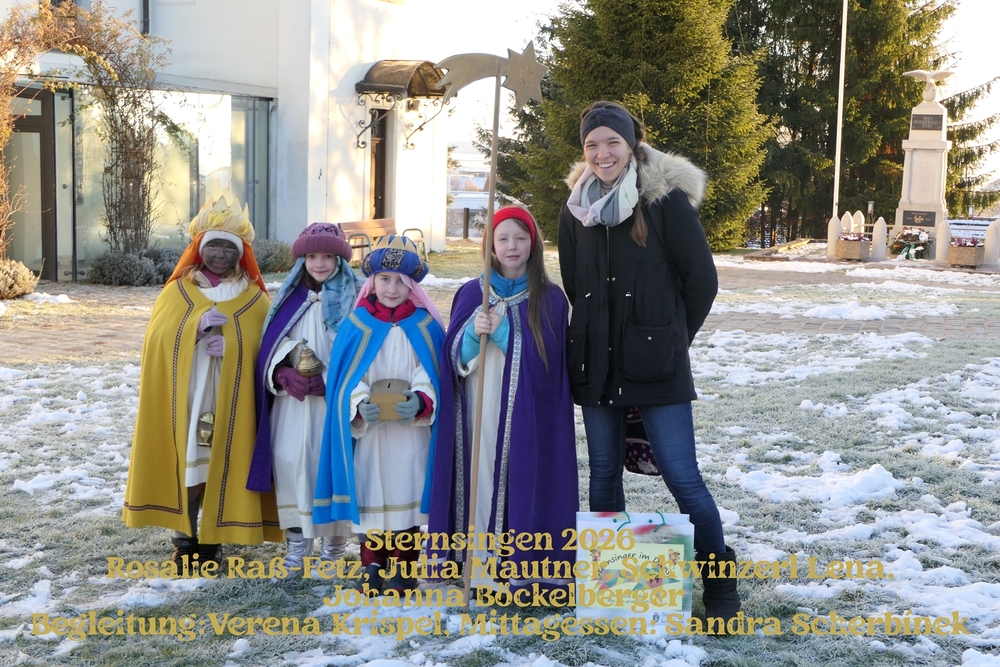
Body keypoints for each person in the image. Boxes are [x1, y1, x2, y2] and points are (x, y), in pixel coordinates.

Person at [557, 101, 739, 623]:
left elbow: (701, 281)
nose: (602, 153)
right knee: (603, 473)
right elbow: (574, 284)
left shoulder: (665, 202)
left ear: (631, 144)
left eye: (611, 142)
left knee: (683, 478)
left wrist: (669, 339)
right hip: (596, 366)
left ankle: (720, 585)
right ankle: (612, 582)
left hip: (657, 366)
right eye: (592, 145)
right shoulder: (576, 210)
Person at [124, 196, 282, 568]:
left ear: (241, 253)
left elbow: (268, 348)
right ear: (199, 247)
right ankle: (184, 539)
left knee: (220, 464)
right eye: (213, 245)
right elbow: (158, 341)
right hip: (189, 395)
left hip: (232, 398)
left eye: (229, 247)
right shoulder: (177, 291)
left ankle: (212, 540)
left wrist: (233, 347)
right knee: (189, 462)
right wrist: (194, 329)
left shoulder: (254, 298)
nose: (220, 254)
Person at [428, 207, 578, 594]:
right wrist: (469, 337)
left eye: (521, 238)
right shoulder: (471, 293)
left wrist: (506, 336)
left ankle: (519, 568)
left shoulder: (550, 299)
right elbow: (453, 362)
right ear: (490, 246)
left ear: (534, 244)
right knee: (478, 478)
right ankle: (476, 565)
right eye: (503, 239)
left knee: (520, 479)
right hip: (478, 409)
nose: (512, 246)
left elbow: (549, 369)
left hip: (527, 416)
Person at [313, 235, 444, 595]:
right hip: (369, 434)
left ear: (412, 285)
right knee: (370, 498)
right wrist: (357, 403)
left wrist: (421, 399)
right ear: (372, 282)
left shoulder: (425, 325)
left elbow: (431, 370)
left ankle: (403, 568)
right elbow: (345, 378)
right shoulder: (357, 325)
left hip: (410, 433)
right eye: (385, 279)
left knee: (407, 497)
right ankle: (372, 565)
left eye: (401, 281)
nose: (392, 288)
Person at [247, 223, 363, 571]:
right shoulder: (288, 299)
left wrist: (331, 381)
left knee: (331, 468)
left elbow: (363, 351)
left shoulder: (355, 300)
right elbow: (270, 347)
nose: (319, 263)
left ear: (340, 260)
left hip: (335, 406)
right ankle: (297, 548)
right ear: (302, 260)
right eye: (312, 256)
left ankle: (333, 550)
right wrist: (282, 372)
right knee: (292, 464)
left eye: (328, 256)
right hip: (292, 407)